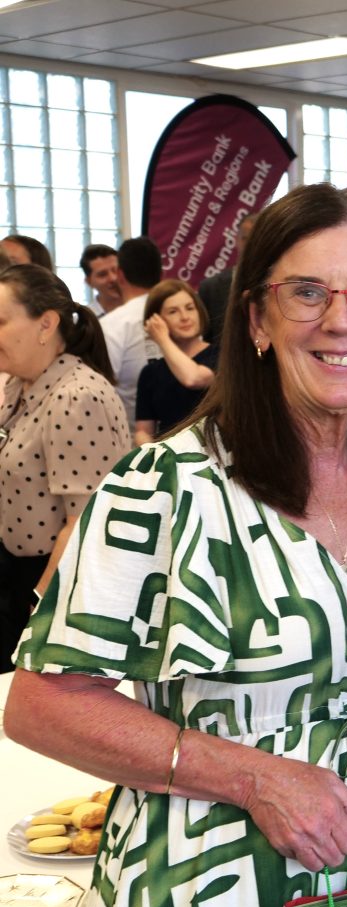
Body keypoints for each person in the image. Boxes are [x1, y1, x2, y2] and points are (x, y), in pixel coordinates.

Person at [4, 184, 347, 907]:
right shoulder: (164, 487)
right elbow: (41, 702)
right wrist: (255, 774)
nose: (342, 319)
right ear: (255, 318)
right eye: (307, 291)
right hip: (209, 891)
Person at [0, 264, 129, 672]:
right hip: (14, 571)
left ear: (46, 324)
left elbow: (86, 520)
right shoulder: (18, 384)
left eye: (1, 322)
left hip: (50, 583)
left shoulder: (76, 396)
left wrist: (38, 604)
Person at [134, 278, 219, 444]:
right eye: (173, 312)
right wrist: (152, 453)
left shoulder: (220, 354)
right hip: (168, 454)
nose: (185, 317)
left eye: (190, 308)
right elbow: (143, 431)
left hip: (213, 450)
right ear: (156, 320)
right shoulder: (150, 372)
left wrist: (162, 339)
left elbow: (193, 378)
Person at [100, 236, 163, 432]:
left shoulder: (112, 324)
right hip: (187, 433)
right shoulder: (185, 314)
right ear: (161, 273)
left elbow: (100, 387)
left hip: (130, 438)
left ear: (120, 275)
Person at [198, 211, 259, 343]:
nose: (251, 245)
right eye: (246, 239)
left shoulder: (280, 283)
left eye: (257, 240)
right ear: (236, 240)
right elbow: (207, 343)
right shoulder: (210, 289)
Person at [80, 243, 123, 316]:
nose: (113, 278)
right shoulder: (84, 319)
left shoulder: (141, 309)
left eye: (116, 270)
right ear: (89, 282)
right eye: (102, 274)